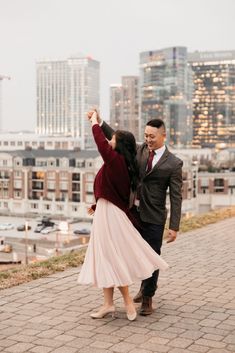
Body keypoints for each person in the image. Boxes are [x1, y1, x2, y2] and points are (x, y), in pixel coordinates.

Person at [78, 111, 169, 321]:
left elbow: (101, 144)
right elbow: (111, 189)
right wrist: (97, 204)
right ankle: (108, 304)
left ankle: (127, 303)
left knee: (112, 258)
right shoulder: (120, 163)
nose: (109, 141)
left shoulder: (116, 161)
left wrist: (94, 123)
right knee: (106, 259)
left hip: (111, 217)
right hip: (105, 212)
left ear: (119, 145)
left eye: (113, 139)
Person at [95, 111, 183, 316]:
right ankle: (141, 289)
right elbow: (119, 138)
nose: (148, 140)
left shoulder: (174, 163)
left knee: (152, 255)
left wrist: (174, 226)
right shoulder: (140, 151)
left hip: (154, 216)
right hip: (132, 213)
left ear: (163, 136)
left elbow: (176, 196)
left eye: (152, 136)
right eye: (146, 135)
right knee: (131, 252)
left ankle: (147, 296)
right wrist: (100, 123)